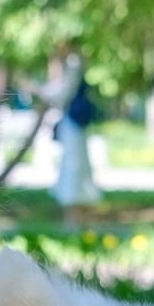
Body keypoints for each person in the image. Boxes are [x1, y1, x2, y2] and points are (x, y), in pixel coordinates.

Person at [47, 48, 104, 222]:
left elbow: (62, 94)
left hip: (73, 124)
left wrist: (38, 90)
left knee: (73, 166)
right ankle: (75, 213)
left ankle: (74, 214)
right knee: (73, 165)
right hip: (72, 124)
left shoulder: (73, 62)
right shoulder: (69, 63)